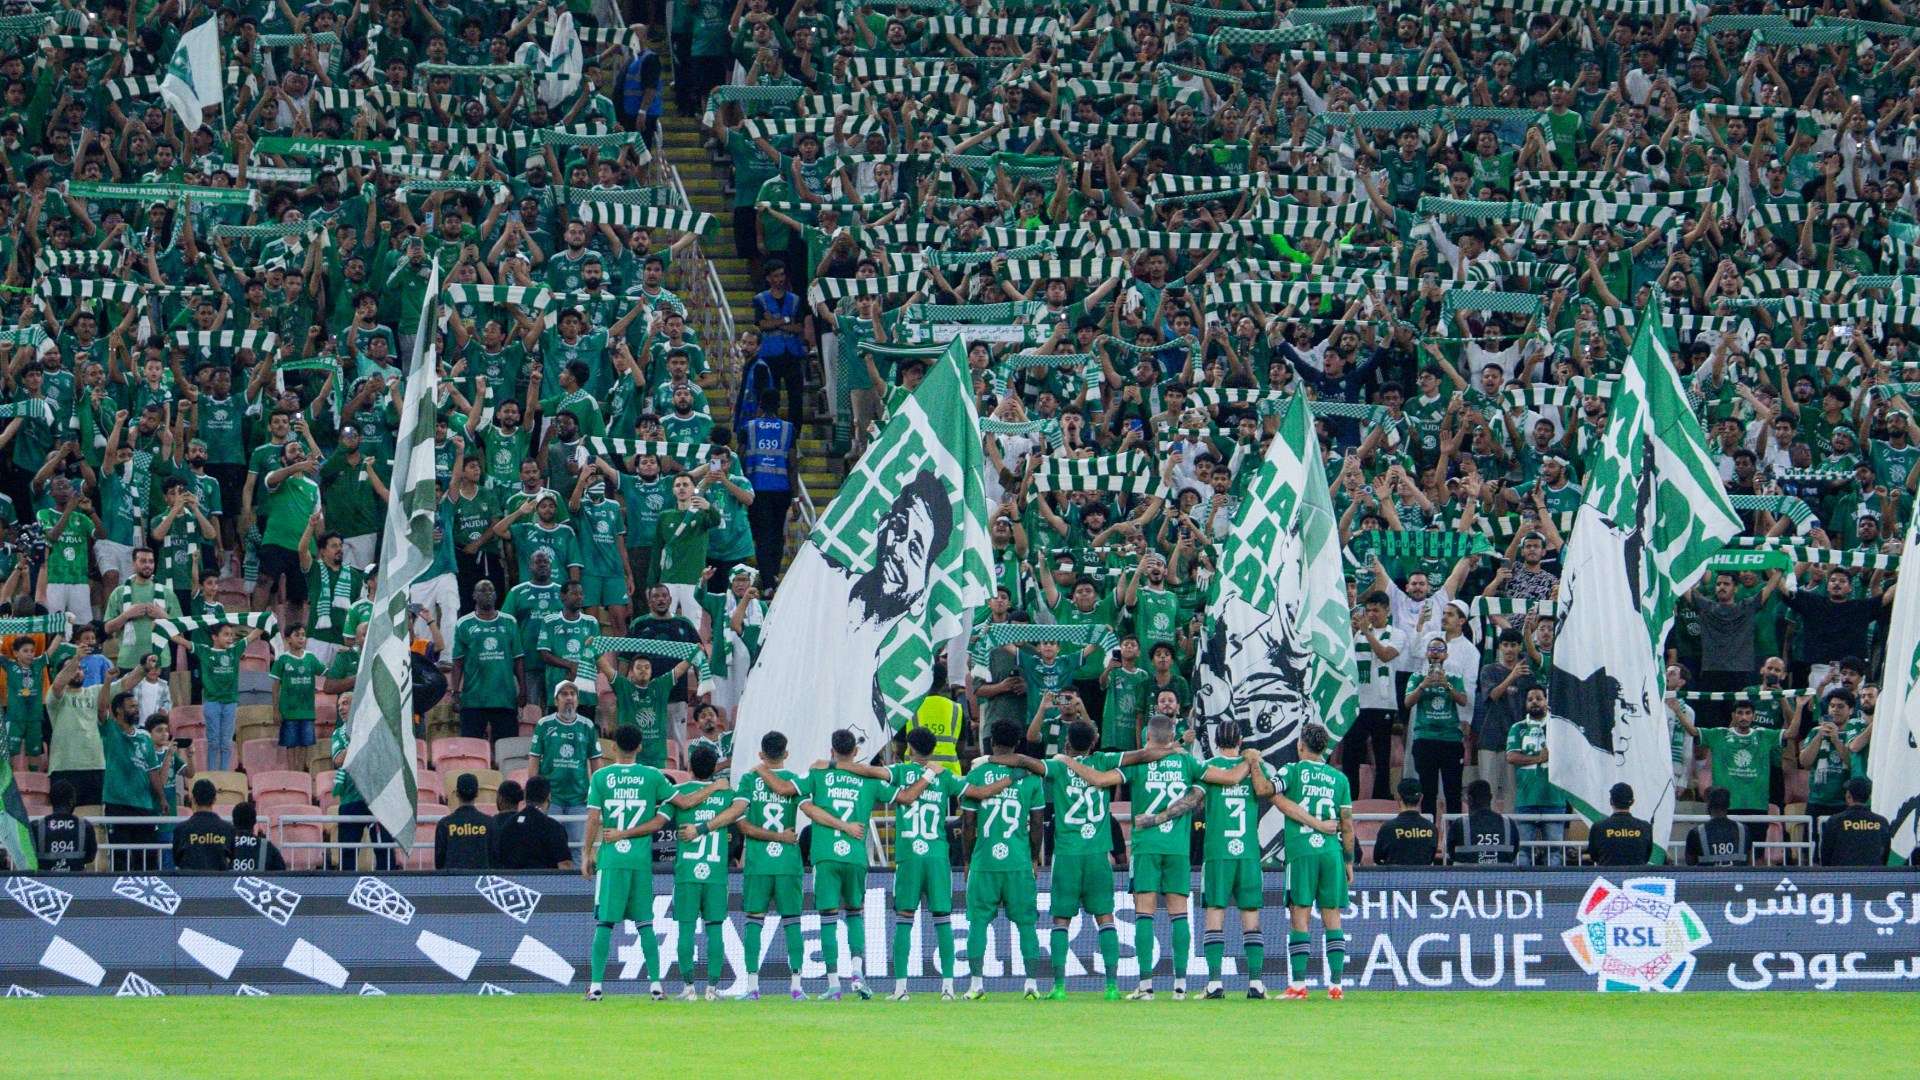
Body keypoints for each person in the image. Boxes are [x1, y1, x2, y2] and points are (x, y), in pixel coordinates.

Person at [1131, 722, 1322, 999]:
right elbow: (1265, 790)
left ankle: (1214, 983)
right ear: (1241, 740)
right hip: (1248, 853)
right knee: (1251, 919)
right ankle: (1256, 983)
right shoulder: (1259, 767)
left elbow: (1192, 800)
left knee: (1214, 917)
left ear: (1216, 740)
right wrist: (1252, 761)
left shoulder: (1209, 768)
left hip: (1217, 853)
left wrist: (1157, 818)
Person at [1043, 721, 1174, 1000]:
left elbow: (1027, 764)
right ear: (1093, 742)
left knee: (1060, 921)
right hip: (1097, 855)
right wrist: (1172, 749)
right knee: (1105, 918)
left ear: (1068, 742)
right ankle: (1112, 987)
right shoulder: (1104, 760)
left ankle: (1058, 987)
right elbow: (1142, 755)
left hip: (1066, 856)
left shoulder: (1057, 766)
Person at [799, 728, 894, 1001]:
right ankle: (857, 972)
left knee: (828, 918)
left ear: (832, 751)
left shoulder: (818, 773)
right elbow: (900, 797)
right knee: (854, 913)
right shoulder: (869, 780)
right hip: (855, 856)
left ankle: (833, 985)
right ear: (855, 752)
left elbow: (802, 802)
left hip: (826, 854)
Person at [584, 725, 676, 1002]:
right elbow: (675, 803)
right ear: (639, 747)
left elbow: (592, 818)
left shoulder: (601, 776)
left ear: (613, 748)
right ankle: (657, 985)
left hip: (611, 858)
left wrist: (586, 853)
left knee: (604, 924)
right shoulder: (652, 776)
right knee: (645, 924)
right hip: (639, 859)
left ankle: (597, 986)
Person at [959, 718, 1049, 1000]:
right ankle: (1032, 984)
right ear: (1017, 743)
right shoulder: (1030, 779)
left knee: (978, 924)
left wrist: (967, 860)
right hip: (1018, 862)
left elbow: (969, 823)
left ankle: (976, 985)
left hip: (985, 862)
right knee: (1026, 924)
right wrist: (1034, 858)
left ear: (990, 743)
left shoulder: (976, 774)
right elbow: (1037, 824)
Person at [1261, 723, 1352, 1000]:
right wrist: (1348, 860)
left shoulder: (1292, 770)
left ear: (1301, 745)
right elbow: (1347, 825)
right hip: (1331, 853)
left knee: (1300, 915)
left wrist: (1256, 765)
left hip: (1301, 851)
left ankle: (1299, 985)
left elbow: (1267, 790)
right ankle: (1336, 986)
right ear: (1324, 748)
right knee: (1332, 916)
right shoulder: (1339, 779)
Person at [1119, 713, 1207, 1000]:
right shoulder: (1186, 761)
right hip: (1177, 848)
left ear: (1147, 737)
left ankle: (1146, 987)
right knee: (1178, 913)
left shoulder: (1138, 762)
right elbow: (1207, 785)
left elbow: (1106, 774)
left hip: (1146, 846)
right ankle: (1180, 986)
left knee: (1144, 913)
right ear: (1172, 736)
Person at [668, 744, 747, 1000]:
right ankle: (712, 989)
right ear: (715, 768)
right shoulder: (727, 795)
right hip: (715, 873)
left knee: (686, 929)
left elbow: (662, 820)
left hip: (687, 873)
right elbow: (740, 821)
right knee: (715, 929)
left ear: (689, 767)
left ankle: (689, 988)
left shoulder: (677, 792)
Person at [732, 731, 806, 1000]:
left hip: (758, 861)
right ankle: (796, 986)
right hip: (788, 861)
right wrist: (781, 837)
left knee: (754, 922)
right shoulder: (795, 782)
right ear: (786, 754)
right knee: (793, 922)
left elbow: (741, 824)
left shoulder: (750, 779)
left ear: (761, 754)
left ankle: (752, 986)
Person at [530, 680, 605, 841]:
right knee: (551, 845)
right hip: (551, 799)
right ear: (556, 700)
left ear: (578, 700)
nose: (569, 697)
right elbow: (534, 760)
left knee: (578, 846)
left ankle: (578, 868)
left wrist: (597, 794)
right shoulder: (544, 725)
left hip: (579, 799)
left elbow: (596, 764)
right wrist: (535, 794)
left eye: (573, 694)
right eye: (564, 694)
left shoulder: (588, 726)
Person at [1405, 635, 1470, 817]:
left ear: (1446, 655)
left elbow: (1464, 701)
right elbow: (1407, 702)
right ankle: (1429, 836)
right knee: (1428, 792)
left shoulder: (1454, 676)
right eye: (1432, 649)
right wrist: (1423, 686)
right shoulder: (1417, 676)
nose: (1435, 653)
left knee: (1453, 792)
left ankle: (1454, 839)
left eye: (1440, 650)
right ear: (1426, 653)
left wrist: (1446, 685)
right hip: (1425, 739)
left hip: (1451, 740)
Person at [1678, 700, 1780, 816]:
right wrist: (1677, 710)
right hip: (1726, 807)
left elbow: (1791, 733)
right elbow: (1693, 731)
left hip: (1756, 805)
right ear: (1733, 716)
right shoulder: (1719, 734)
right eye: (1740, 713)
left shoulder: (1764, 735)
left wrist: (1799, 706)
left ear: (1754, 716)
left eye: (1747, 713)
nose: (1744, 717)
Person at [1504, 687, 1565, 865]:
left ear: (1547, 701)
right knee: (1522, 853)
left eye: (1539, 698)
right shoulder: (1518, 728)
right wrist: (1540, 758)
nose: (1535, 702)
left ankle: (1555, 891)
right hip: (1526, 800)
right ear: (1525, 704)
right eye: (1530, 699)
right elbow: (1511, 756)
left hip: (1554, 798)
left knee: (1554, 854)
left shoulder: (1558, 727)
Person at [497, 776, 575, 871]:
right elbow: (565, 865)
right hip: (546, 883)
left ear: (525, 795)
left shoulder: (508, 825)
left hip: (513, 883)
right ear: (549, 796)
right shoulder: (554, 827)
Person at [1818, 777, 1891, 867]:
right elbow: (1885, 856)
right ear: (1869, 796)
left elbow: (1825, 855)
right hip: (1873, 877)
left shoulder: (1835, 821)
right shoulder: (1882, 822)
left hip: (1841, 878)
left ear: (1848, 796)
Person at [1447, 779, 1520, 865]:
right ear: (1491, 797)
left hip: (1467, 876)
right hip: (1503, 876)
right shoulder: (1509, 823)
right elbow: (1514, 851)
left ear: (1469, 799)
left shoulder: (1459, 824)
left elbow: (1451, 853)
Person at [433, 773, 496, 870]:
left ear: (457, 793)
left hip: (453, 882)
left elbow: (439, 862)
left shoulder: (444, 824)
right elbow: (494, 858)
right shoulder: (489, 823)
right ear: (477, 793)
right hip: (482, 882)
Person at [32, 780, 97, 871]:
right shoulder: (86, 827)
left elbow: (30, 856)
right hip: (77, 883)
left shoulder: (36, 826)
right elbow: (90, 858)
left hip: (45, 881)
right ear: (72, 801)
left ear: (51, 801)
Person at [1373, 778, 1439, 866]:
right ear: (1421, 797)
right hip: (1422, 878)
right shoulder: (1431, 828)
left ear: (1398, 797)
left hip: (1394, 878)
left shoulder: (1388, 828)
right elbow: (1430, 858)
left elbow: (1377, 858)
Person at [172, 779, 235, 871]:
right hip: (219, 883)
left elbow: (177, 860)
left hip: (189, 883)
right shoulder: (228, 829)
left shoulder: (180, 829)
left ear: (193, 799)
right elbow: (232, 858)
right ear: (214, 800)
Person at [1587, 783, 1655, 867]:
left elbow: (1594, 855)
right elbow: (1646, 856)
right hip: (1636, 877)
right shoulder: (1645, 827)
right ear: (1632, 802)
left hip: (1608, 877)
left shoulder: (1598, 827)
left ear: (1611, 801)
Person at [1684, 788, 1753, 867]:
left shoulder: (1696, 833)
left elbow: (1690, 862)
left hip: (1707, 878)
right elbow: (1748, 860)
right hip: (1739, 878)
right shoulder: (1744, 830)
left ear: (1708, 806)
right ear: (1728, 805)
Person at [230, 802, 288, 873]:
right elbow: (282, 875)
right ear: (254, 821)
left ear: (233, 821)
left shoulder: (224, 846)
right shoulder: (268, 847)